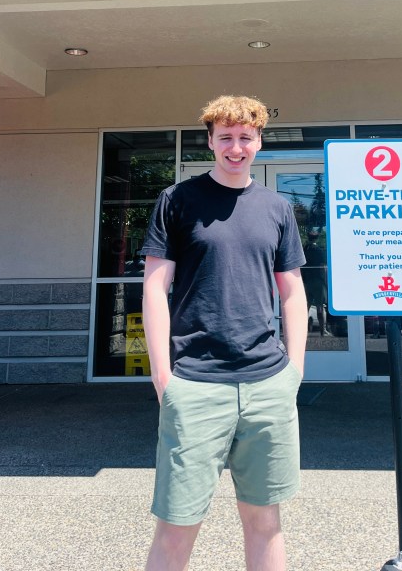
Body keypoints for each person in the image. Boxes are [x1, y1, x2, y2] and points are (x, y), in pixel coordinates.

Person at [141, 95, 308, 571]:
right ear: (211, 142)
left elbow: (292, 291)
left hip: (267, 382)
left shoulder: (277, 207)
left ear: (259, 142)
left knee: (265, 521)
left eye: (245, 137)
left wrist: (295, 370)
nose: (236, 147)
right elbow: (154, 288)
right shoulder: (178, 200)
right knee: (176, 525)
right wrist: (162, 376)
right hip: (195, 383)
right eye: (226, 137)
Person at [301, 229, 330, 336]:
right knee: (319, 306)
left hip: (307, 281)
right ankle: (323, 330)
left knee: (306, 307)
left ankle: (302, 330)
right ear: (316, 238)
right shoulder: (318, 250)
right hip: (317, 281)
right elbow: (323, 266)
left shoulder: (304, 250)